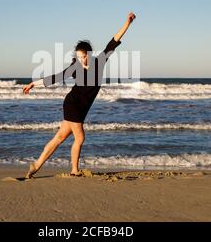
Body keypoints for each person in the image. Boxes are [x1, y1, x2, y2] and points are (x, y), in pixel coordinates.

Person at [22, 12, 136, 178]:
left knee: (60, 137)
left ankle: (36, 165)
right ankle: (74, 170)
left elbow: (113, 42)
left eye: (84, 56)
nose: (82, 60)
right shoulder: (74, 68)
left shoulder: (99, 62)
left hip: (81, 108)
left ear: (90, 54)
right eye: (79, 57)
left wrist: (128, 23)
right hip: (73, 104)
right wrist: (34, 83)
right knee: (80, 138)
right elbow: (55, 77)